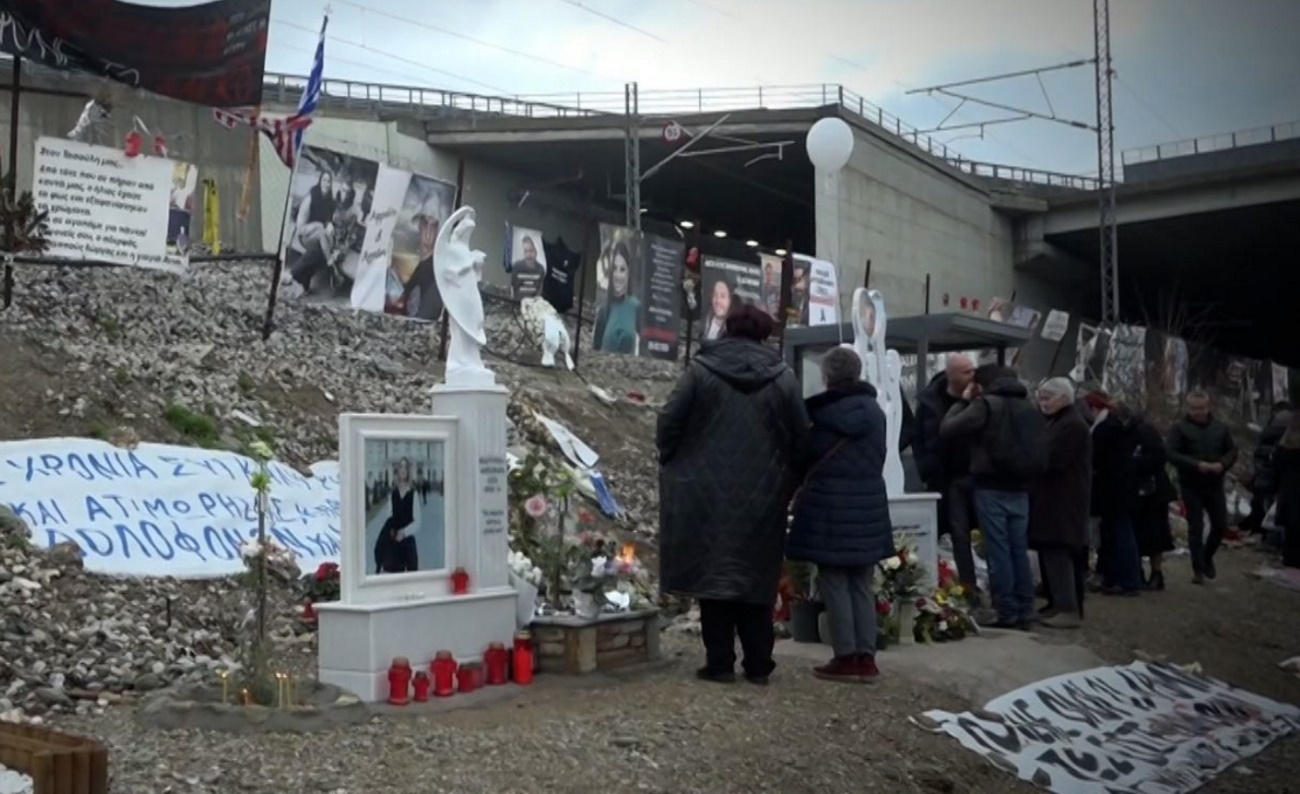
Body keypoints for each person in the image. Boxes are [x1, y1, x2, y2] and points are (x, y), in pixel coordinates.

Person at [657, 304, 809, 685]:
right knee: (757, 576)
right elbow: (802, 439)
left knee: (715, 575)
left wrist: (676, 460)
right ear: (765, 334)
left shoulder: (700, 370)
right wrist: (787, 481)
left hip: (707, 490)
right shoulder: (784, 378)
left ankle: (720, 663)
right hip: (764, 493)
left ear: (727, 329)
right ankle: (759, 664)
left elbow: (669, 420)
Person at [787, 347, 892, 683]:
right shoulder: (875, 413)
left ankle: (845, 656)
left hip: (830, 507)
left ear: (827, 376)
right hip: (869, 505)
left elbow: (805, 458)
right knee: (862, 582)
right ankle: (867, 658)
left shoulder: (822, 415)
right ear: (858, 372)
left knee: (833, 580)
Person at [940, 365, 1047, 629]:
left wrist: (963, 401)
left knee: (998, 550)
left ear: (981, 384)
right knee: (1018, 549)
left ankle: (1006, 610)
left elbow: (948, 429)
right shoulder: (1030, 407)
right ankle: (1026, 609)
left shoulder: (986, 405)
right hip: (1021, 487)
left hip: (990, 486)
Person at [913, 354, 979, 595]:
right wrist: (925, 468)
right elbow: (919, 437)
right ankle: (941, 584)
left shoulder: (979, 399)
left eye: (973, 370)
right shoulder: (931, 400)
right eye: (966, 371)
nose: (973, 376)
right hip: (941, 477)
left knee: (968, 533)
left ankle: (972, 585)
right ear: (951, 374)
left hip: (971, 475)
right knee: (946, 531)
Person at [1029, 378, 1091, 629]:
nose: (1043, 403)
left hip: (1064, 500)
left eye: (1048, 398)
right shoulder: (1058, 421)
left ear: (1064, 398)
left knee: (1059, 551)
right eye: (1041, 397)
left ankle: (1067, 607)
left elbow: (1053, 460)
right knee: (1050, 550)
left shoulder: (1072, 425)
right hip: (1053, 498)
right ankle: (1056, 602)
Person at [1167, 391, 1238, 584]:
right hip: (1191, 483)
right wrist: (1196, 464)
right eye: (1194, 409)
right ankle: (1198, 569)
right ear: (1188, 408)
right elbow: (1171, 453)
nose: (1198, 412)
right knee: (1195, 527)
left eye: (1201, 408)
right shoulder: (1179, 428)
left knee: (1220, 525)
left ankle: (1207, 556)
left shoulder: (1220, 428)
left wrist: (1223, 464)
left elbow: (1232, 451)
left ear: (1208, 407)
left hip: (1214, 483)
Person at [1091, 404, 1145, 596]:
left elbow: (1095, 459)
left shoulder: (1104, 430)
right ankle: (1125, 578)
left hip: (1110, 490)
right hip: (1125, 488)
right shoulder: (1128, 431)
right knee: (1121, 533)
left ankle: (1126, 580)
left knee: (1119, 535)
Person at [1133, 415, 1176, 590]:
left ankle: (1154, 573)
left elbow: (1157, 458)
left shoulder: (1142, 432)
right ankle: (1149, 573)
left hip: (1152, 491)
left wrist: (1134, 463)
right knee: (1149, 534)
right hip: (1150, 490)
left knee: (1153, 534)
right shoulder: (1143, 430)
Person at [1242, 402, 1294, 535]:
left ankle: (1260, 533)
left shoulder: (1272, 427)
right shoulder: (1289, 426)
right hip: (1279, 476)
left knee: (1262, 502)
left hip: (1267, 474)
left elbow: (1261, 450)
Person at [289, 171, 340, 291]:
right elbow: (300, 228)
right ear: (320, 182)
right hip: (305, 236)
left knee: (319, 251)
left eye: (329, 181)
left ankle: (303, 282)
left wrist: (329, 224)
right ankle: (331, 268)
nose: (326, 184)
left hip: (320, 241)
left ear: (331, 184)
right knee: (322, 236)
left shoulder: (330, 201)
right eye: (324, 180)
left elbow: (327, 220)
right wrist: (317, 225)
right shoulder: (310, 198)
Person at [593, 241, 641, 354]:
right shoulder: (604, 309)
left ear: (628, 272)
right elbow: (596, 348)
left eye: (622, 269)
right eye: (614, 269)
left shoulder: (637, 307)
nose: (618, 275)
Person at [374, 458, 419, 573]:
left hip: (408, 540)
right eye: (401, 467)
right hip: (394, 541)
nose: (403, 470)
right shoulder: (393, 494)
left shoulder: (413, 494)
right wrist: (393, 532)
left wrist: (404, 533)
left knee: (411, 576)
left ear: (408, 471)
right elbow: (389, 517)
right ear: (397, 471)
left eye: (405, 467)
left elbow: (417, 521)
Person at [1271, 413, 1300, 568]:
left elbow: (1276, 468)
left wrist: (1276, 489)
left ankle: (1289, 561)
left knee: (1291, 528)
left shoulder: (1284, 446)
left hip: (1288, 489)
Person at [511, 235, 547, 299]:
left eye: (531, 251)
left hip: (534, 303)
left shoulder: (540, 269)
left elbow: (540, 291)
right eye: (526, 251)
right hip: (518, 302)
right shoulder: (517, 267)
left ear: (536, 252)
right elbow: (513, 288)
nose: (528, 255)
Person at [701, 276, 734, 341]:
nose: (718, 300)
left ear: (730, 300)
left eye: (722, 296)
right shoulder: (703, 321)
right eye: (715, 295)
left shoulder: (733, 330)